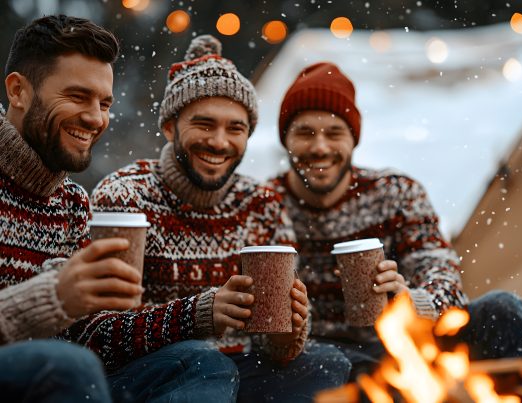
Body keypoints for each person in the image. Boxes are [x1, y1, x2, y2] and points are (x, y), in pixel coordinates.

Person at [63, 36, 350, 402]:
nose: (219, 142)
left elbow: (278, 348)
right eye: (204, 124)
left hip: (236, 369)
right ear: (170, 127)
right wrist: (195, 316)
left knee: (327, 362)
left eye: (235, 128)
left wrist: (287, 331)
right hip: (148, 375)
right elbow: (92, 336)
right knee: (205, 363)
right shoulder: (125, 196)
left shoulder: (261, 202)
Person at [267, 61, 522, 393]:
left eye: (334, 133)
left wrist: (412, 300)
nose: (320, 147)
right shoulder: (265, 203)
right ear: (285, 139)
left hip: (401, 341)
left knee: (501, 309)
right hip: (312, 357)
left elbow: (443, 275)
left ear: (353, 139)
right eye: (305, 133)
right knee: (332, 364)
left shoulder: (396, 193)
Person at [0, 15, 146, 402]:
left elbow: (88, 334)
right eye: (78, 97)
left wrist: (203, 311)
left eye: (105, 103)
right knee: (68, 366)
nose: (96, 118)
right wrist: (54, 298)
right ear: (18, 91)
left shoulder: (72, 202)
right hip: (44, 375)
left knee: (195, 361)